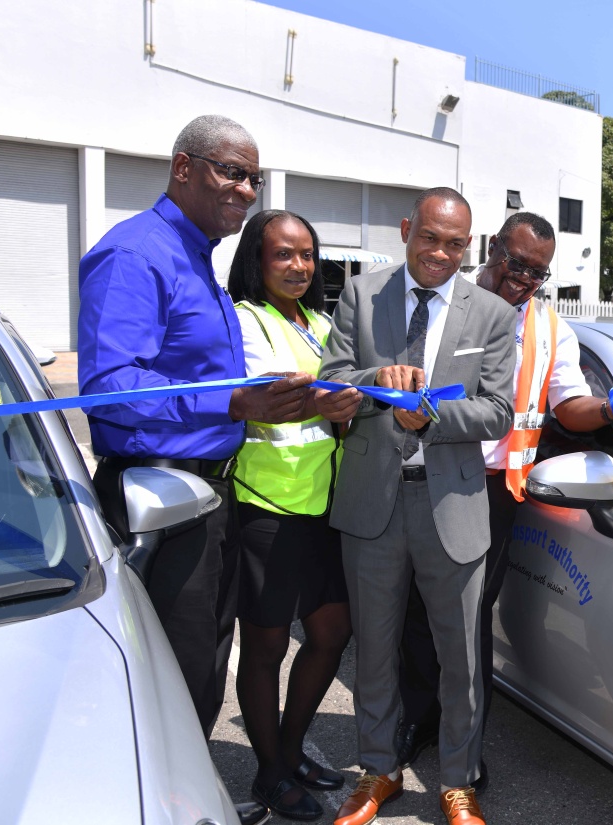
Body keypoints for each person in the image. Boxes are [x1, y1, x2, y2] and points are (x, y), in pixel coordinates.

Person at [78, 114, 316, 825]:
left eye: (253, 177)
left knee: (204, 673)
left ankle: (184, 802)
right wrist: (236, 401)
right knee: (171, 682)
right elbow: (111, 391)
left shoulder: (198, 258)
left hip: (207, 499)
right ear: (183, 168)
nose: (245, 188)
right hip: (159, 496)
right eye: (230, 171)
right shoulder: (135, 254)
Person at [394, 213, 613, 786]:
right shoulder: (443, 303)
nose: (525, 280)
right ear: (492, 249)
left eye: (538, 272)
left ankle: (465, 747)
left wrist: (612, 406)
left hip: (491, 489)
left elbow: (569, 409)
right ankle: (418, 719)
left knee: (470, 619)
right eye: (516, 264)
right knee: (414, 609)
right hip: (421, 472)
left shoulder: (549, 327)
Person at [319, 187, 514, 825]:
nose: (440, 253)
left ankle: (458, 781)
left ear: (470, 247)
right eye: (430, 237)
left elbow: (497, 411)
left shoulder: (489, 312)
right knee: (373, 650)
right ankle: (379, 771)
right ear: (408, 229)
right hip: (372, 502)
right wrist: (376, 385)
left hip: (451, 505)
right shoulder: (360, 293)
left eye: (455, 244)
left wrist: (426, 414)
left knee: (460, 657)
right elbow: (333, 379)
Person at [228, 210, 362, 821]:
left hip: (323, 507)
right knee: (266, 647)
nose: (299, 266)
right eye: (283, 254)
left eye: (307, 254)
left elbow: (338, 393)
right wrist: (339, 397)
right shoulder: (244, 320)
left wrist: (354, 400)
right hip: (268, 506)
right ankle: (269, 775)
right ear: (257, 259)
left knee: (332, 634)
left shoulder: (322, 323)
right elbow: (274, 392)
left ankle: (287, 748)